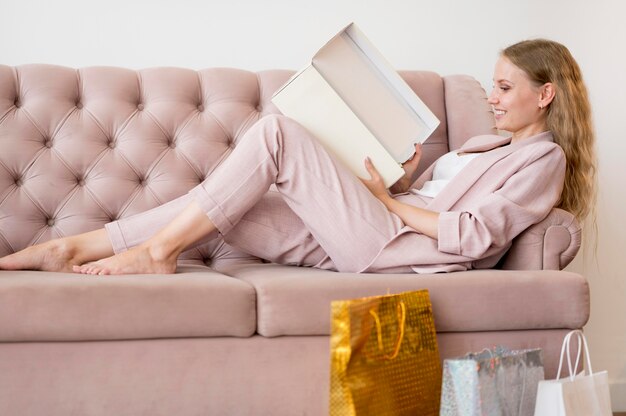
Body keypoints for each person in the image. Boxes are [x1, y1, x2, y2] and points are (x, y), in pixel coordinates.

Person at [0, 39, 596, 275]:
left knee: (274, 135)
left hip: (399, 247)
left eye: (505, 89)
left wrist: (389, 200)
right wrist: (404, 175)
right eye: (490, 86)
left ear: (545, 96)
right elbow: (439, 196)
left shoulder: (543, 161)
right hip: (373, 223)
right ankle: (73, 247)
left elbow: (473, 234)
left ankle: (156, 253)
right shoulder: (486, 145)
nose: (491, 99)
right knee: (222, 205)